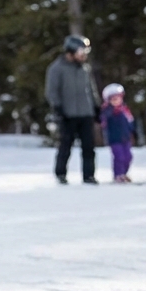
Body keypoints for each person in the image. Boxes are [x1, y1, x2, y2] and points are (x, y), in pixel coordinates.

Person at [45, 35, 99, 185]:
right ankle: (61, 173)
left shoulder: (84, 68)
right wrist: (58, 108)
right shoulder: (57, 68)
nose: (84, 55)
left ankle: (89, 175)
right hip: (68, 115)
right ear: (71, 51)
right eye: (81, 52)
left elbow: (91, 89)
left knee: (89, 147)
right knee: (65, 146)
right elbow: (52, 91)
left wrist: (96, 106)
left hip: (86, 113)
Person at [99, 83, 137, 183]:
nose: (116, 101)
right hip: (114, 139)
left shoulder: (125, 110)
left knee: (128, 157)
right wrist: (110, 110)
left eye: (118, 98)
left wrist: (132, 132)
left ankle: (124, 173)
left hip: (125, 138)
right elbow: (103, 121)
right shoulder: (107, 111)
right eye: (113, 99)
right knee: (119, 157)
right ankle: (118, 175)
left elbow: (130, 122)